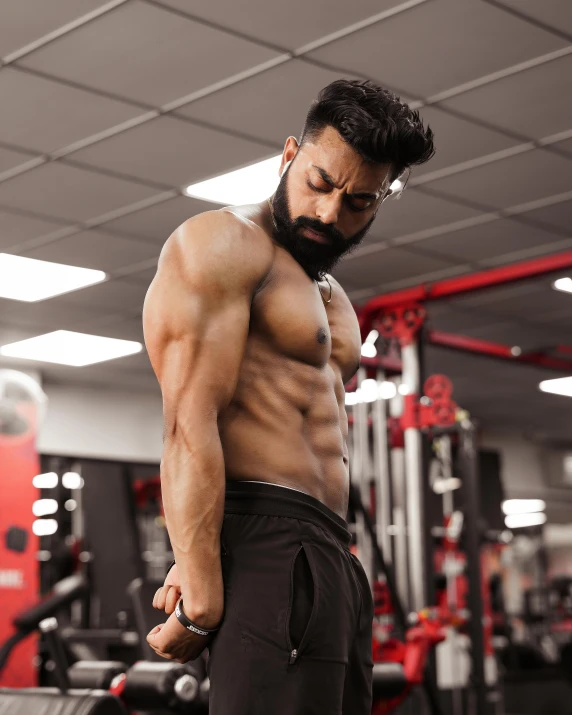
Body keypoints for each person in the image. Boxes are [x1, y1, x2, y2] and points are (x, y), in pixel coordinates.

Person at [142, 79, 434, 714]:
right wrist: (204, 596)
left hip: (329, 549)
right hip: (275, 547)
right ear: (289, 154)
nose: (331, 214)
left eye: (359, 201)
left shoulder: (329, 295)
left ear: (383, 197)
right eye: (320, 183)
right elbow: (189, 422)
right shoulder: (223, 244)